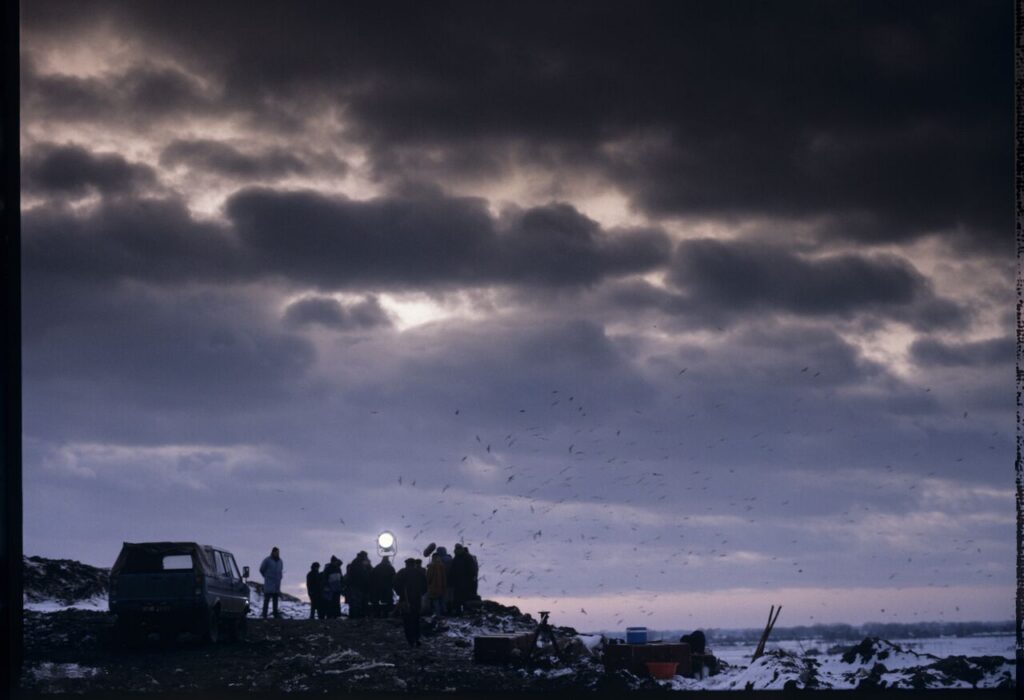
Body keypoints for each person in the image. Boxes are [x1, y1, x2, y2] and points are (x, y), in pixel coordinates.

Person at [393, 557, 427, 647]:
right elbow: (425, 586)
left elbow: (395, 583)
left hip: (405, 600)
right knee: (416, 619)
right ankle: (417, 638)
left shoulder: (402, 572)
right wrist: (421, 593)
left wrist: (400, 593)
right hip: (417, 600)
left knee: (407, 620)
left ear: (406, 564)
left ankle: (410, 640)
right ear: (414, 564)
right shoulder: (419, 573)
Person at [449, 544, 477, 615]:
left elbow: (472, 570)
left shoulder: (462, 558)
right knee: (460, 597)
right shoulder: (464, 557)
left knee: (463, 597)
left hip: (464, 581)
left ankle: (464, 611)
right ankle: (460, 611)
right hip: (461, 581)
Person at [259, 547, 284, 619]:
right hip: (269, 583)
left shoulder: (280, 561)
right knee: (266, 600)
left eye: (278, 552)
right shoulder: (267, 560)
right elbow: (261, 569)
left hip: (277, 584)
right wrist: (266, 576)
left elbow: (280, 571)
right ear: (273, 552)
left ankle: (275, 614)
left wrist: (280, 577)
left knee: (275, 600)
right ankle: (264, 615)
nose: (277, 554)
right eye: (276, 552)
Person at [426, 551, 447, 617]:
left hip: (434, 587)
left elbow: (428, 577)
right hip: (441, 586)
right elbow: (444, 576)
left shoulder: (431, 566)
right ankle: (444, 613)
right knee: (442, 600)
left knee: (436, 601)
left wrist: (428, 584)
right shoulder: (442, 565)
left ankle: (438, 615)